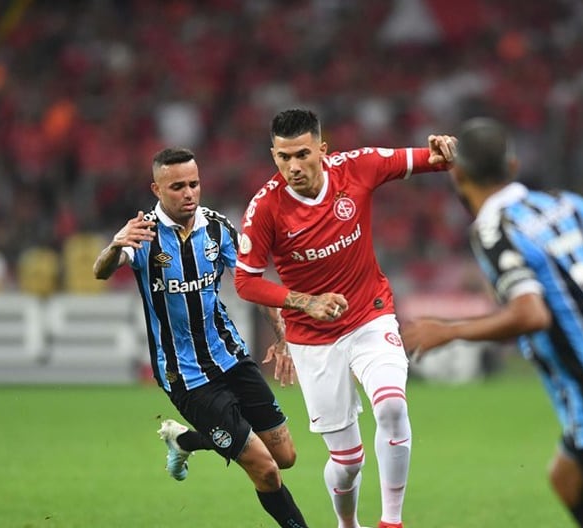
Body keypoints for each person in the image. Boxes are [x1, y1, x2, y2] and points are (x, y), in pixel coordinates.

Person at [401, 118, 583, 528]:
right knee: (567, 480)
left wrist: (450, 330)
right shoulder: (564, 204)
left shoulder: (495, 231)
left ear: (457, 174)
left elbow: (531, 314)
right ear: (512, 166)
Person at [233, 108, 456, 528]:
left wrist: (449, 148)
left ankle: (391, 521)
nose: (293, 167)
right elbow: (246, 281)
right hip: (313, 339)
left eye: (302, 154)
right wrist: (305, 302)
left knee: (391, 405)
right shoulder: (265, 208)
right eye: (283, 158)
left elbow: (433, 158)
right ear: (273, 156)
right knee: (348, 462)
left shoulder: (357, 168)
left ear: (322, 148)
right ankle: (347, 524)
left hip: (370, 315)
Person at [92, 147, 309, 528]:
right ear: (156, 189)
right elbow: (101, 271)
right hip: (186, 375)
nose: (189, 193)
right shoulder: (142, 236)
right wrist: (114, 245)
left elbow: (252, 282)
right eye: (177, 186)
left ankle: (186, 442)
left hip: (230, 357)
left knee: (286, 455)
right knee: (268, 470)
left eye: (194, 183)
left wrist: (282, 334)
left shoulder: (217, 227)